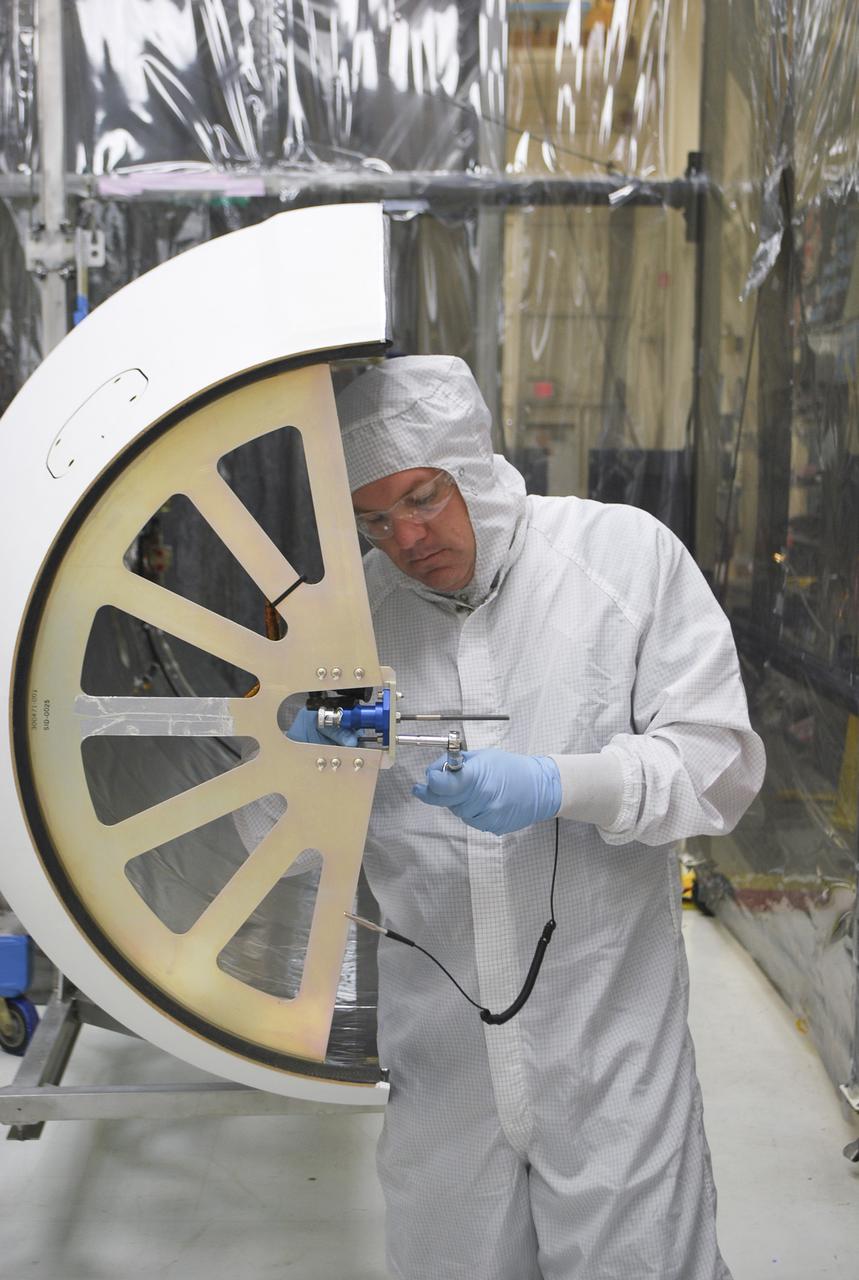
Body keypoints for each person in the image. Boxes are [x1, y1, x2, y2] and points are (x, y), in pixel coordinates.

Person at [307, 354, 765, 1280]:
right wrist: (293, 748)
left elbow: (717, 765)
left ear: (471, 464)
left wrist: (563, 784)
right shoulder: (352, 617)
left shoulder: (620, 559)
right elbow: (290, 832)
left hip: (604, 1036)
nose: (406, 537)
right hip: (442, 1051)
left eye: (425, 497)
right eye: (374, 518)